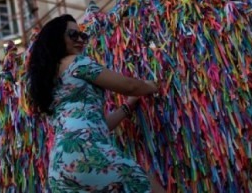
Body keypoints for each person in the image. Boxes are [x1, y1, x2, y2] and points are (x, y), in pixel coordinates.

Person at [26, 14, 166, 192]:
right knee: (145, 183)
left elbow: (93, 125)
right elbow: (129, 86)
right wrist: (152, 86)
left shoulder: (46, 81)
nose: (80, 40)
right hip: (85, 152)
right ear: (56, 38)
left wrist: (126, 107)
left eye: (83, 35)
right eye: (73, 34)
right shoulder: (76, 63)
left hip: (59, 166)